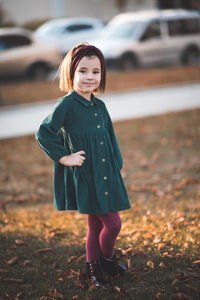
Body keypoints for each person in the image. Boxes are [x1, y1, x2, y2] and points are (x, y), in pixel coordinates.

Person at [35, 42, 131, 288]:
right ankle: (105, 260)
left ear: (102, 75)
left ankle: (95, 264)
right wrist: (64, 157)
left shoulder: (99, 105)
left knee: (95, 225)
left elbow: (110, 136)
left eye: (96, 72)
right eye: (83, 71)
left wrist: (116, 163)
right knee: (113, 224)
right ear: (71, 73)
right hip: (87, 175)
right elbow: (44, 132)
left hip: (106, 173)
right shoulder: (66, 105)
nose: (90, 77)